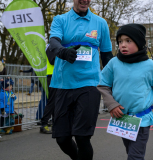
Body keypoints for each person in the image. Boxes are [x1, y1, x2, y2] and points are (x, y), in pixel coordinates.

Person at [48, 0, 113, 159]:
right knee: (62, 138)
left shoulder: (100, 23)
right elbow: (54, 41)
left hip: (89, 84)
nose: (84, 0)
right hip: (62, 84)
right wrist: (63, 51)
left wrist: (114, 85)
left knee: (82, 137)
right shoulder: (60, 20)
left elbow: (107, 56)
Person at [97, 24, 153, 160]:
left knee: (135, 156)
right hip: (122, 119)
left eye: (128, 41)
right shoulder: (113, 63)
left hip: (142, 119)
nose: (123, 45)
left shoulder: (150, 66)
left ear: (139, 43)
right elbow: (103, 85)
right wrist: (111, 104)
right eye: (120, 41)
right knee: (131, 152)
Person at [39, 45, 57, 134]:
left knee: (57, 101)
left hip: (56, 76)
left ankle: (55, 123)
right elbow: (52, 61)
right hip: (52, 76)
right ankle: (44, 124)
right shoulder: (51, 47)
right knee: (52, 101)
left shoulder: (56, 45)